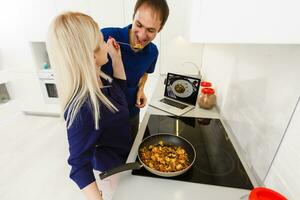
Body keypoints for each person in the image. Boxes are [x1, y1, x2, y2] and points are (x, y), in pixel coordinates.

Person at [46, 12, 132, 200]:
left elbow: (121, 91)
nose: (105, 46)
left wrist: (116, 58)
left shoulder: (102, 78)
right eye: (101, 42)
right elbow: (78, 166)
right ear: (92, 56)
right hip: (112, 172)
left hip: (125, 159)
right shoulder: (84, 107)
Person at [101, 0, 169, 140]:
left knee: (131, 150)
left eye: (151, 30)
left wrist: (141, 89)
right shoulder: (106, 35)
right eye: (139, 25)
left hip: (132, 110)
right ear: (133, 17)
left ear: (160, 29)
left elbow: (144, 73)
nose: (142, 35)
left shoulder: (153, 52)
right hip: (104, 113)